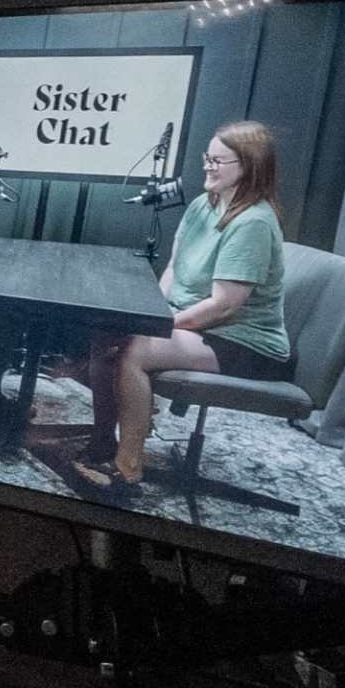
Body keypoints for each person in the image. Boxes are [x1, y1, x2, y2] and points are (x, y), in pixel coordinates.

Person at [71, 119, 291, 498]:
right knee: (107, 337)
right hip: (197, 326)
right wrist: (149, 312)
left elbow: (224, 306)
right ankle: (103, 443)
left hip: (241, 343)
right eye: (208, 157)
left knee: (134, 351)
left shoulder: (253, 222)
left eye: (219, 161)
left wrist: (157, 327)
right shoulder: (202, 207)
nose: (208, 166)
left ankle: (127, 470)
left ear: (249, 167)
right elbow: (174, 268)